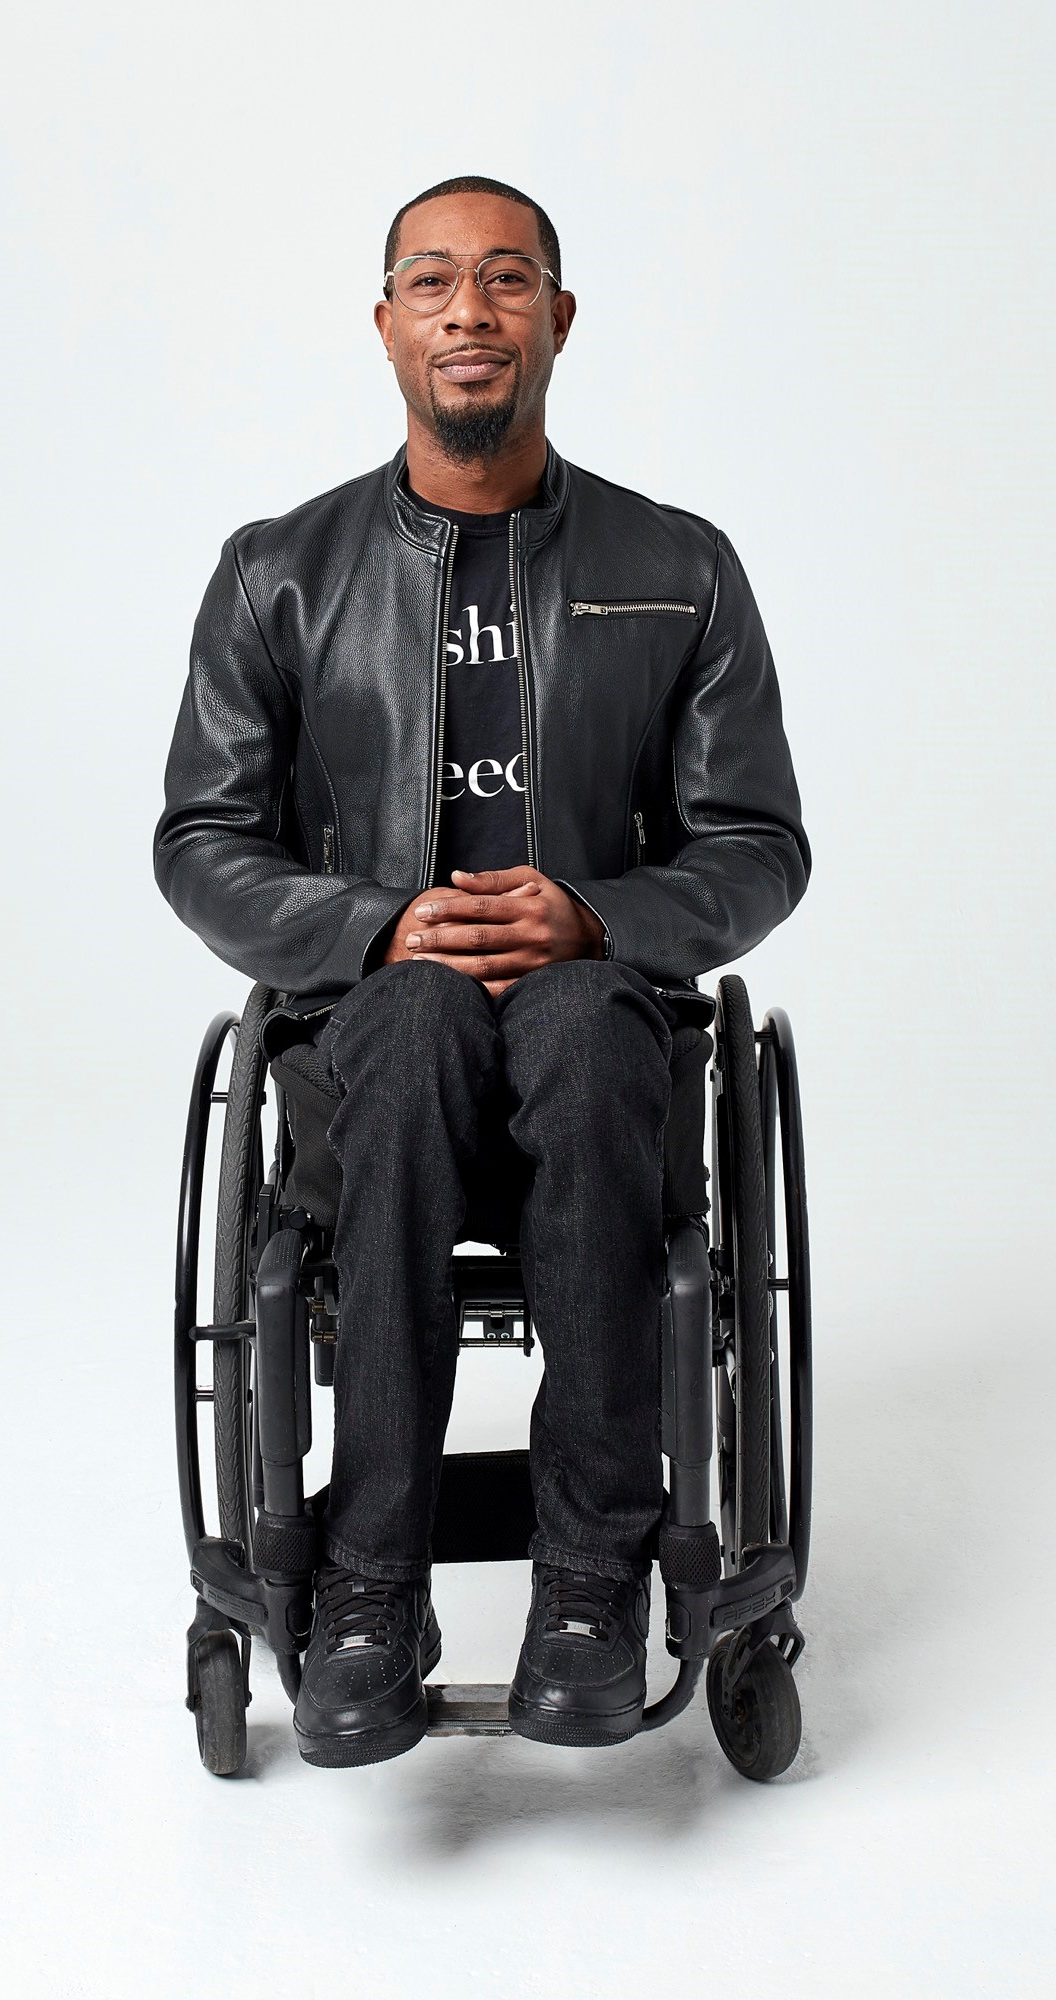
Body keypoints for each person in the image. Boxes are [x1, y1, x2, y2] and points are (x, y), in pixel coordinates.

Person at [155, 175, 808, 1766]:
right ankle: (372, 1585)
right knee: (424, 1013)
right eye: (433, 281)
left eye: (507, 280)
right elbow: (202, 841)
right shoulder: (278, 575)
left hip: (604, 1042)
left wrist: (598, 916)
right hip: (374, 1045)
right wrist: (374, 925)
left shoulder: (682, 567)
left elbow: (758, 847)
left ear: (558, 320)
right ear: (385, 323)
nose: (470, 310)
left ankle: (592, 1577)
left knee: (582, 1026)